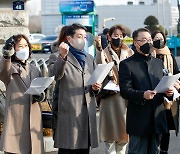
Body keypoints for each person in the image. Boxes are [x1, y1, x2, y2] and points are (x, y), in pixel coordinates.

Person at [119, 28, 174, 154]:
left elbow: (163, 84)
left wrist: (169, 93)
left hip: (157, 119)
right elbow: (125, 90)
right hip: (139, 120)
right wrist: (142, 95)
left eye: (149, 40)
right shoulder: (127, 64)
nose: (148, 43)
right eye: (144, 40)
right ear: (135, 43)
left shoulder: (158, 63)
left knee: (155, 151)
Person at [53, 23, 101, 154]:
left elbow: (94, 80)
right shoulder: (59, 56)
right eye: (79, 36)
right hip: (69, 111)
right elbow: (55, 75)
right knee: (68, 148)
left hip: (86, 112)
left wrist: (96, 88)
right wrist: (62, 56)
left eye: (85, 37)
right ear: (69, 38)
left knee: (84, 149)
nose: (83, 40)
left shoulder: (89, 58)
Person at [0, 34, 45, 154]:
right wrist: (6, 54)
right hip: (16, 118)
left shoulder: (34, 68)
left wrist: (40, 96)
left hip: (34, 115)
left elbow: (41, 87)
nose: (24, 48)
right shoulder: (10, 67)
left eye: (26, 45)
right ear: (14, 49)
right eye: (20, 46)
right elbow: (3, 71)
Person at [95, 25, 133, 154]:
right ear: (109, 37)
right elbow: (100, 67)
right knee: (110, 135)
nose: (119, 38)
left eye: (121, 36)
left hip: (125, 97)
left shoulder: (129, 52)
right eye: (115, 35)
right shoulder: (103, 52)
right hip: (109, 97)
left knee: (123, 135)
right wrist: (99, 49)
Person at [152, 30, 179, 154]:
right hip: (154, 96)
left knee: (166, 128)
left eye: (161, 38)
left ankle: (164, 151)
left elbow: (177, 73)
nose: (159, 40)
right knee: (155, 128)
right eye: (156, 38)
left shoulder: (170, 55)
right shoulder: (150, 55)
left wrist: (175, 85)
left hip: (168, 98)